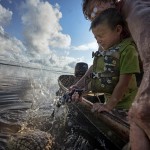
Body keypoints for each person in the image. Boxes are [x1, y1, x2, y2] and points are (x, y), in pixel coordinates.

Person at [80, 0, 150, 150]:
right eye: (89, 17)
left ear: (108, 1)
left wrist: (142, 105)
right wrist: (78, 86)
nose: (93, 17)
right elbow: (96, 65)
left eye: (93, 11)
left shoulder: (134, 8)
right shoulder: (106, 34)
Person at [72, 8, 140, 112]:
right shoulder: (105, 51)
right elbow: (94, 71)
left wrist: (108, 106)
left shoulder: (128, 50)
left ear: (118, 30)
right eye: (95, 38)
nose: (98, 40)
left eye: (101, 36)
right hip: (112, 104)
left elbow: (123, 84)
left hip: (128, 108)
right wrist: (78, 88)